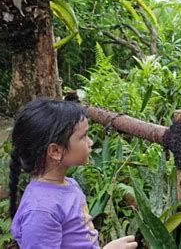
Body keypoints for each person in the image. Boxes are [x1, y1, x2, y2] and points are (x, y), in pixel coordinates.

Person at [9, 98, 138, 249]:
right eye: (83, 137)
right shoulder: (41, 212)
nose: (90, 142)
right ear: (55, 151)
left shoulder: (68, 183)